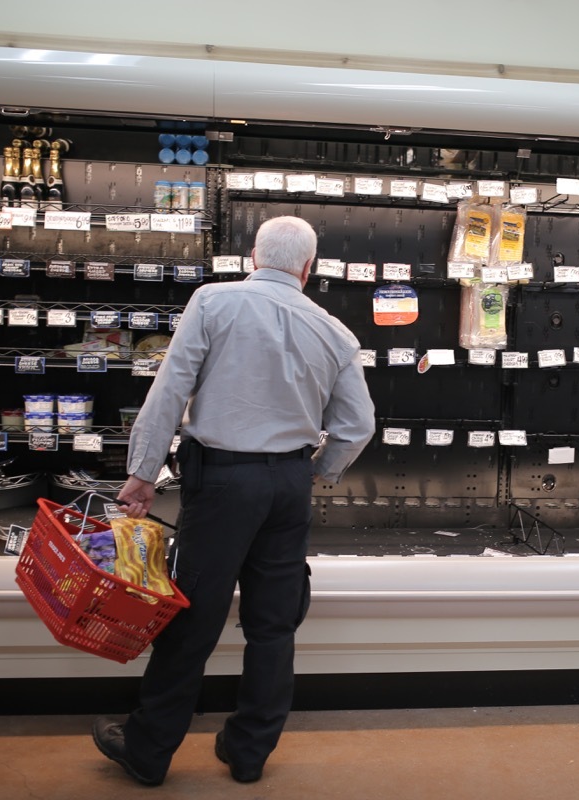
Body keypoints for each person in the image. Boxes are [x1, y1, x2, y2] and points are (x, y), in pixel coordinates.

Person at [93, 215, 376, 787]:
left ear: (253, 257)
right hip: (289, 487)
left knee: (192, 619)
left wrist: (143, 472)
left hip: (220, 484)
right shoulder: (335, 332)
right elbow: (358, 425)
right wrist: (315, 470)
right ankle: (249, 752)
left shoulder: (213, 302)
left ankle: (149, 750)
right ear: (308, 267)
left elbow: (170, 387)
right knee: (274, 625)